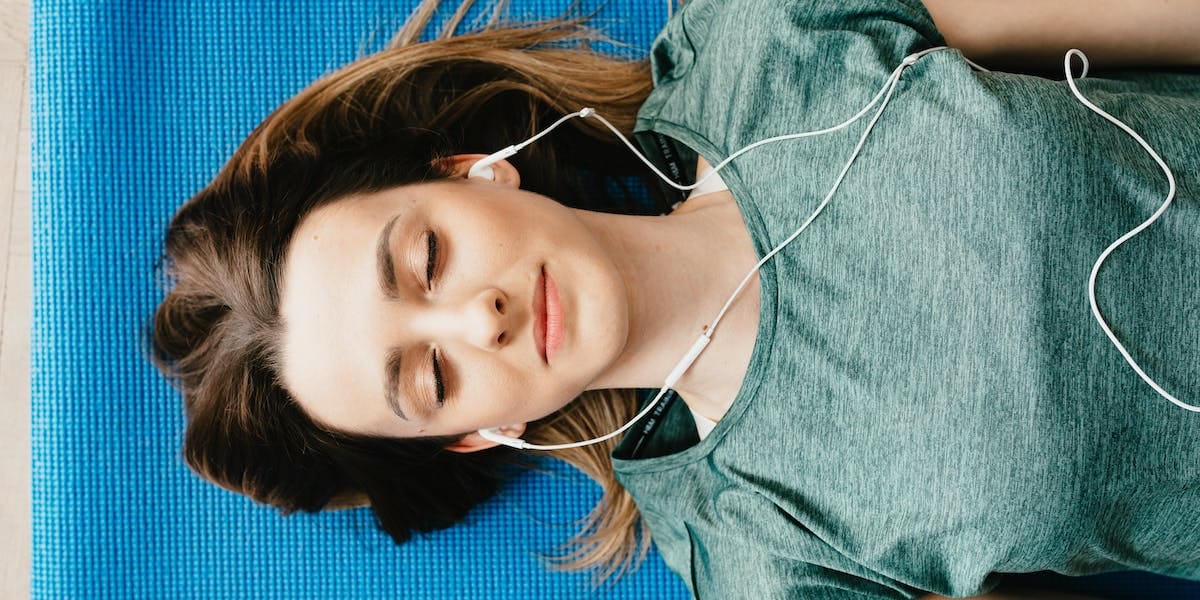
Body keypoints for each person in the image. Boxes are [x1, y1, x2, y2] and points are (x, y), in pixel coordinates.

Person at [150, 0, 1200, 597]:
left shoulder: (763, 36)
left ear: (473, 170)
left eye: (424, 259)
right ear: (480, 433)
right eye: (431, 375)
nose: (480, 316)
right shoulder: (759, 552)